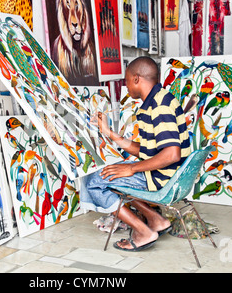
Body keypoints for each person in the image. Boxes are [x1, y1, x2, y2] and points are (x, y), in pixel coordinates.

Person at [81, 56, 191, 251]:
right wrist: (109, 133)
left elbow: (171, 154)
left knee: (94, 182)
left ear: (136, 79)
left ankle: (143, 231)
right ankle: (155, 219)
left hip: (164, 178)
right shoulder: (159, 99)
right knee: (112, 172)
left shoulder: (160, 107)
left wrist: (131, 168)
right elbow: (147, 150)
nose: (127, 86)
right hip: (168, 174)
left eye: (126, 80)